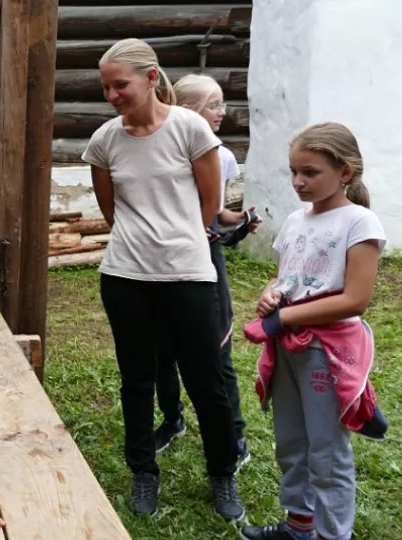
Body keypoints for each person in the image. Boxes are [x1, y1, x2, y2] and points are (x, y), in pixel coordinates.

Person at [81, 38, 245, 521]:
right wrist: (143, 242)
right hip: (125, 276)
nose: (111, 95)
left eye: (120, 85)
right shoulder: (105, 140)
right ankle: (143, 473)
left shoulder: (191, 128)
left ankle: (222, 473)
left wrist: (175, 242)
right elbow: (112, 212)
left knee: (206, 379)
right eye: (105, 87)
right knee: (137, 379)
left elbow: (210, 206)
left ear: (152, 79)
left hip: (189, 275)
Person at [239, 122, 389, 540]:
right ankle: (298, 526)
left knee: (326, 450)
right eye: (294, 172)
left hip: (328, 351)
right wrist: (270, 295)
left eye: (310, 172)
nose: (299, 182)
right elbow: (284, 277)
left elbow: (355, 299)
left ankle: (332, 534)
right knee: (290, 441)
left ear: (345, 171)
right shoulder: (294, 221)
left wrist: (286, 317)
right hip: (287, 346)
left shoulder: (360, 222)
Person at [152, 74, 260, 471]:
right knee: (163, 351)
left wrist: (241, 220)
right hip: (161, 260)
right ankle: (172, 419)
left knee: (217, 350)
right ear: (189, 110)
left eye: (221, 103)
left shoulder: (223, 155)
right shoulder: (161, 150)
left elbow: (218, 213)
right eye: (214, 104)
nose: (222, 112)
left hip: (205, 261)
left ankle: (233, 432)